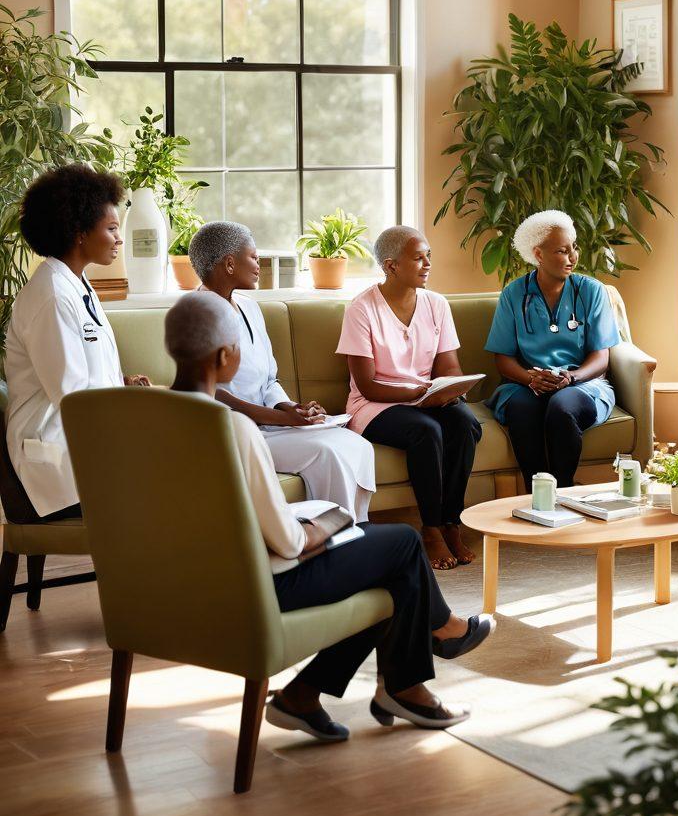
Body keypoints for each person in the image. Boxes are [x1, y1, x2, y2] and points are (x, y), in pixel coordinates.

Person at [163, 293, 494, 740]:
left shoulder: (148, 415)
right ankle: (419, 660)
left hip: (185, 582)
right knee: (399, 547)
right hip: (255, 585)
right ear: (226, 356)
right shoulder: (234, 428)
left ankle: (316, 694)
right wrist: (326, 523)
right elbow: (288, 543)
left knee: (389, 559)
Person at [189, 222, 376, 524]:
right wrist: (280, 419)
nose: (259, 264)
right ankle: (332, 538)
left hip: (270, 425)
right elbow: (210, 391)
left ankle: (356, 528)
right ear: (229, 263)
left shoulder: (249, 307)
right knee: (326, 453)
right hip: (235, 432)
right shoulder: (195, 313)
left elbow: (269, 379)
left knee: (356, 443)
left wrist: (292, 408)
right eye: (253, 257)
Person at [4, 165, 149, 520]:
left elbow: (82, 378)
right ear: (80, 232)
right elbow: (72, 398)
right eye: (112, 229)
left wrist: (121, 384)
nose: (119, 239)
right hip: (55, 459)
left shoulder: (76, 285)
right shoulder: (52, 295)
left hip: (81, 444)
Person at [337, 226, 482, 571]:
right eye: (418, 257)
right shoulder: (362, 309)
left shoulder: (437, 304)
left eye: (428, 255)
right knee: (425, 430)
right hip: (375, 405)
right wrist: (416, 394)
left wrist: (444, 391)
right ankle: (430, 529)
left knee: (465, 423)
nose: (428, 263)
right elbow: (367, 384)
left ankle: (452, 522)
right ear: (390, 266)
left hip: (425, 397)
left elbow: (449, 367)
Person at [484, 210, 621, 489]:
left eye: (574, 248)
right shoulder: (513, 294)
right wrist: (530, 378)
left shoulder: (592, 291)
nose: (572, 257)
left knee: (562, 408)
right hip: (525, 384)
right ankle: (536, 495)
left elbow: (601, 357)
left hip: (582, 384)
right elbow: (503, 358)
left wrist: (571, 378)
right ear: (538, 254)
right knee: (522, 410)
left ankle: (564, 491)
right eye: (562, 251)